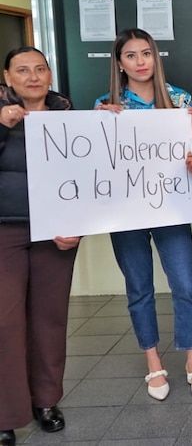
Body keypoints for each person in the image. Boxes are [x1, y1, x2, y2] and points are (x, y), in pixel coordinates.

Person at [94, 28, 192, 401]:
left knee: (186, 286)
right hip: (125, 212)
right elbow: (96, 166)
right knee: (139, 288)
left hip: (169, 206)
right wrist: (96, 126)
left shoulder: (179, 100)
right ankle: (153, 361)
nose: (141, 62)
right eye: (131, 55)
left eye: (147, 53)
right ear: (119, 63)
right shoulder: (105, 105)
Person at [0, 48, 81, 445]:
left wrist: (78, 225)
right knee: (5, 322)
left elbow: (92, 176)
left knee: (50, 318)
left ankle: (46, 401)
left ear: (49, 74)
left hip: (55, 231)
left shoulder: (71, 116)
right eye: (22, 70)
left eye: (39, 68)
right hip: (5, 230)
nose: (32, 76)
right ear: (7, 77)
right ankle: (5, 414)